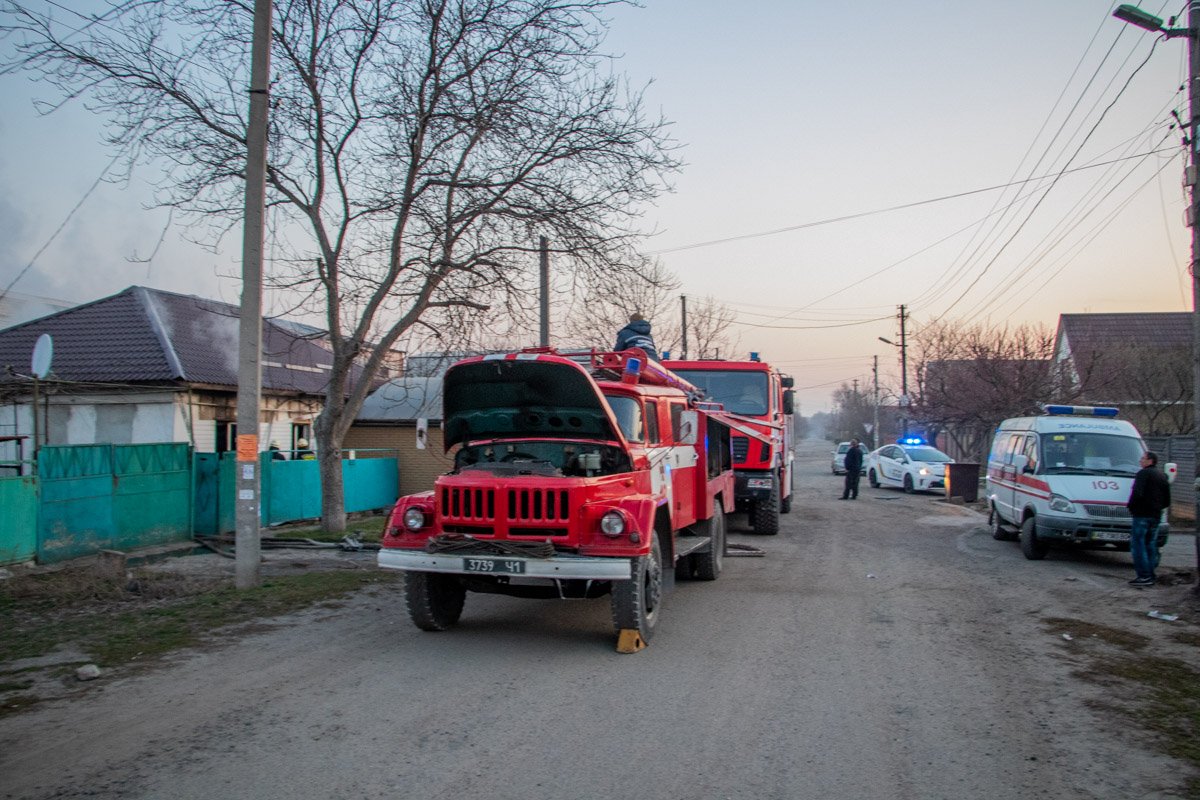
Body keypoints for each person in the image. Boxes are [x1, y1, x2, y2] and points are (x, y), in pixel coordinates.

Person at [1126, 450, 1170, 587]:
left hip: (1142, 515)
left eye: (1143, 458)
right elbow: (1167, 500)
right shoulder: (1162, 476)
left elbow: (1137, 493)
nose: (1140, 460)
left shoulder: (1143, 474)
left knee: (1138, 545)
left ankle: (1143, 576)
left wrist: (1131, 507)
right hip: (1156, 516)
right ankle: (1150, 575)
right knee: (1151, 545)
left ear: (1150, 461)